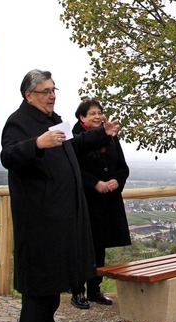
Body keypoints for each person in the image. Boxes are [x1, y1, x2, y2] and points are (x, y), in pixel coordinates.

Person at [0, 69, 118, 322]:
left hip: (61, 210)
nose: (52, 96)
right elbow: (8, 156)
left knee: (55, 269)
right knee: (40, 271)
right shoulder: (19, 122)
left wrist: (101, 134)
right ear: (29, 95)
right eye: (45, 91)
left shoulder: (53, 120)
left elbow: (74, 147)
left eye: (54, 90)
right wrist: (36, 144)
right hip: (38, 213)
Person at [69, 99, 132, 309]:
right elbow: (73, 168)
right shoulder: (74, 138)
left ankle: (95, 290)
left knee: (100, 247)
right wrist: (94, 183)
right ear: (82, 117)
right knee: (81, 246)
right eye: (91, 113)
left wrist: (117, 181)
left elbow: (123, 166)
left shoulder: (111, 136)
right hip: (85, 199)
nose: (96, 116)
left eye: (99, 112)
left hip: (107, 200)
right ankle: (77, 292)